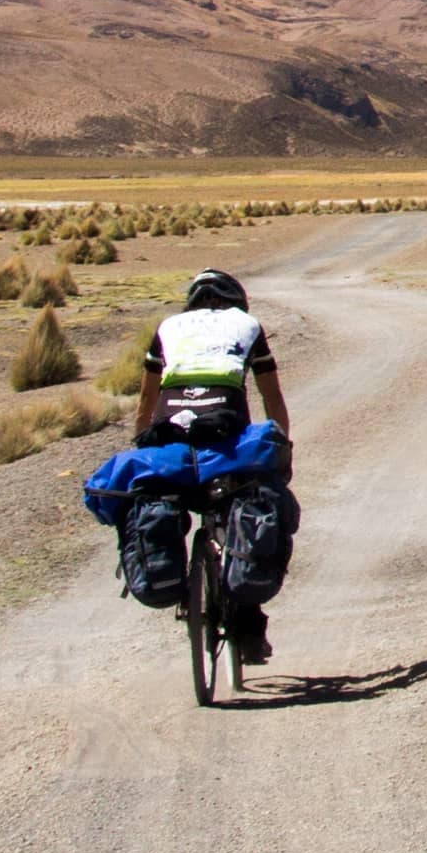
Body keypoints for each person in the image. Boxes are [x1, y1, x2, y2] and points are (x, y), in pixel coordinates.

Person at [136, 268, 291, 663]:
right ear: (237, 301)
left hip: (168, 430)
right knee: (244, 506)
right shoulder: (247, 326)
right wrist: (281, 448)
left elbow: (146, 401)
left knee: (172, 493)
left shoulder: (168, 327)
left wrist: (141, 446)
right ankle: (248, 631)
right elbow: (271, 399)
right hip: (225, 427)